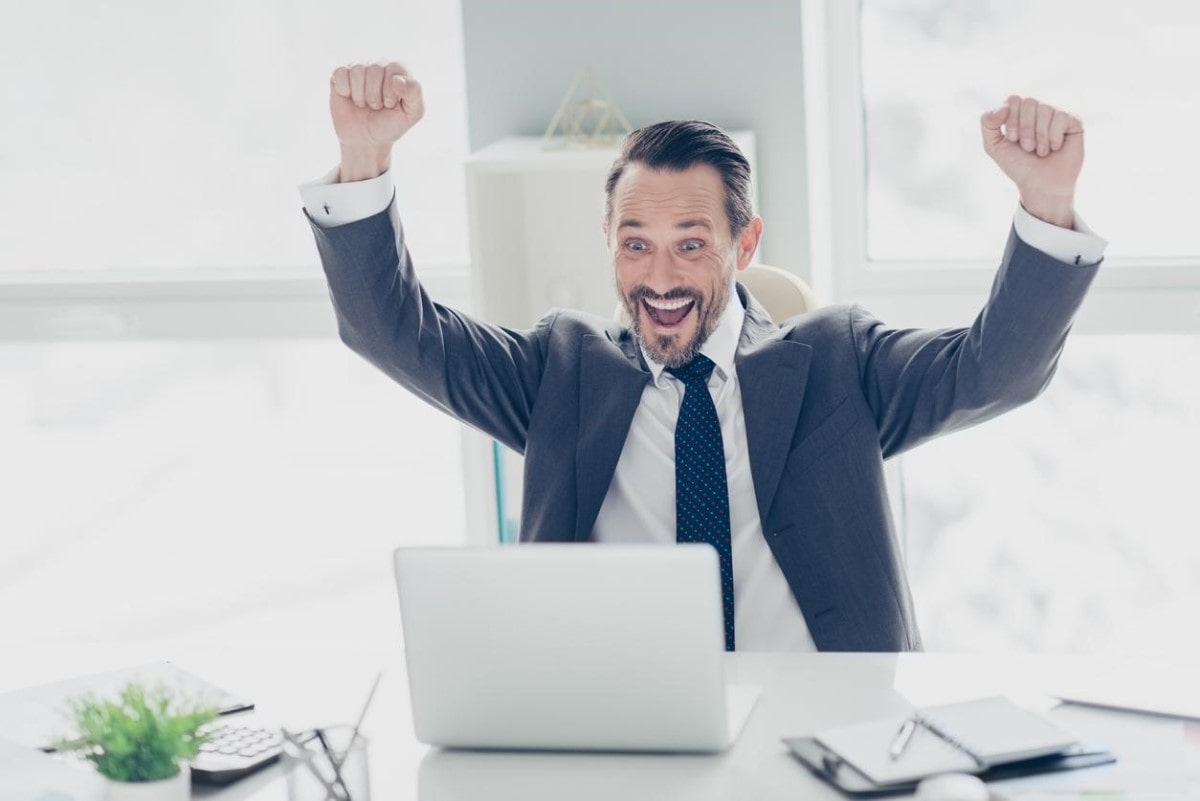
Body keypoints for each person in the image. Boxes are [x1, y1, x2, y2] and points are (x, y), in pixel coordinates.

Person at [300, 61, 1105, 652]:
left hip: (825, 732)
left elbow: (995, 370)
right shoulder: (561, 371)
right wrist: (365, 159)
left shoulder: (835, 361)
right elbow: (392, 331)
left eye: (691, 244)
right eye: (635, 243)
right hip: (620, 732)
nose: (658, 277)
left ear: (744, 242)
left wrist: (1046, 207)